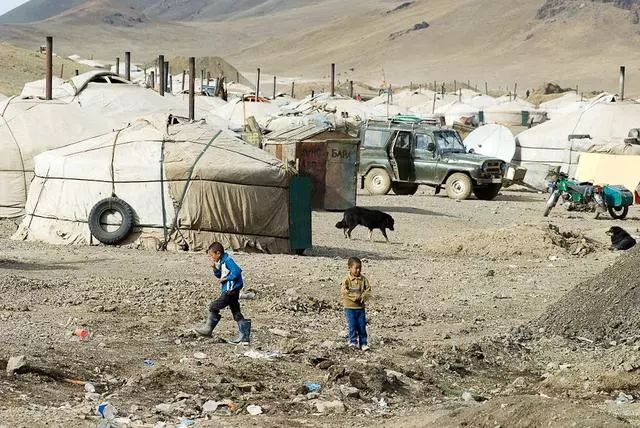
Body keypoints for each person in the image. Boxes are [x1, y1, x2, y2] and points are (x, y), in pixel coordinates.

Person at [194, 242, 251, 345]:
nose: (211, 257)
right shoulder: (223, 262)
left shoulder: (228, 260)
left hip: (230, 291)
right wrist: (215, 269)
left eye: (212, 255)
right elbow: (220, 275)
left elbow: (237, 271)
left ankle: (208, 330)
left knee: (214, 306)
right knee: (236, 312)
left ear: (218, 253)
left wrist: (227, 278)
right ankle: (244, 336)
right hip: (232, 291)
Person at [340, 257, 371, 351]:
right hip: (349, 307)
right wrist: (354, 297)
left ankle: (363, 343)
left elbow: (368, 290)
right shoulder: (346, 280)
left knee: (362, 325)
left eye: (359, 268)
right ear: (349, 268)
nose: (358, 270)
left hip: (360, 308)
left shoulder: (363, 280)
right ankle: (352, 342)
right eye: (356, 268)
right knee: (352, 325)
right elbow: (344, 292)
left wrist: (363, 297)